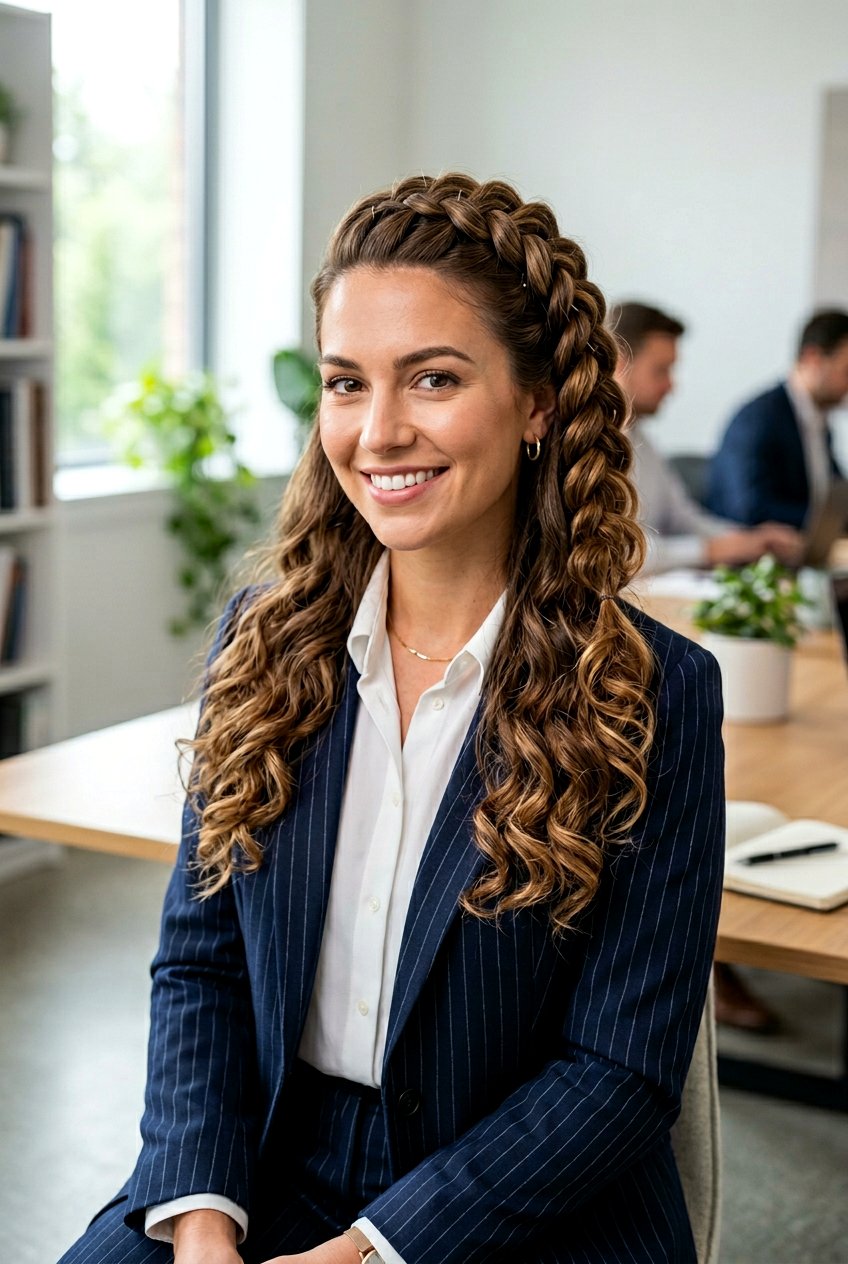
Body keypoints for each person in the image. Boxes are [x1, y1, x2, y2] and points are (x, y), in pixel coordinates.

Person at [59, 174, 726, 1264]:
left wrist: (375, 1249)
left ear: (538, 404)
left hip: (518, 1195)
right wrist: (202, 1221)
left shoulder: (654, 692)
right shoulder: (265, 640)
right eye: (343, 382)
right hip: (269, 1158)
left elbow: (617, 1071)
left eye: (433, 378)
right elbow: (200, 966)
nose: (377, 433)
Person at [611, 301, 801, 575]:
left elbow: (684, 518)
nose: (671, 385)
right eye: (660, 370)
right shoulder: (586, 444)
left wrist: (750, 539)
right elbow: (617, 550)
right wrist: (709, 550)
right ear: (619, 362)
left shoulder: (642, 441)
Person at [707, 308, 848, 528]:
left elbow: (834, 500)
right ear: (813, 359)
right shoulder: (758, 419)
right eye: (846, 371)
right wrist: (826, 523)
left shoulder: (819, 424)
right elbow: (750, 509)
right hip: (752, 556)